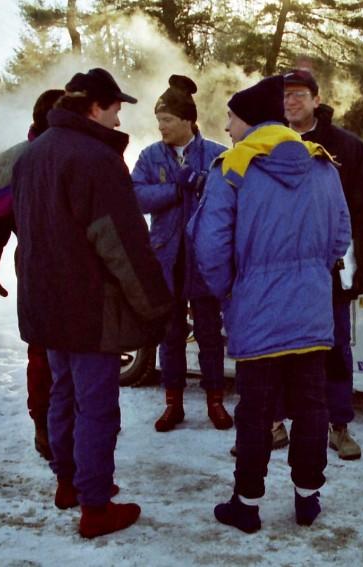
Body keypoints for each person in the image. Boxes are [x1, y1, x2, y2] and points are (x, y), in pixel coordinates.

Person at [11, 68, 173, 538]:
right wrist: (156, 306)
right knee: (97, 407)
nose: (120, 118)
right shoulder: (96, 159)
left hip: (44, 304)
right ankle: (96, 506)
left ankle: (68, 483)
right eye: (117, 107)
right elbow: (120, 243)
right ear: (95, 107)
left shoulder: (31, 155)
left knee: (63, 395)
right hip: (90, 309)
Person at [189, 75, 351, 533]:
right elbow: (340, 235)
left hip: (256, 310)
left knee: (256, 411)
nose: (225, 127)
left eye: (231, 118)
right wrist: (311, 274)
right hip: (312, 308)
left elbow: (210, 246)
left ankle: (247, 503)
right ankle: (307, 497)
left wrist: (231, 291)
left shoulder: (233, 167)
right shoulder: (321, 164)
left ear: (250, 120)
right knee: (312, 406)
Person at [281, 68, 363, 461]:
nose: (291, 102)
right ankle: (275, 421)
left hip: (331, 270)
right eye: (286, 96)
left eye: (298, 94)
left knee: (335, 348)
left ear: (315, 99)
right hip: (280, 271)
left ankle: (338, 425)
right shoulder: (268, 143)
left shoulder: (346, 147)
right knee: (280, 349)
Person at [132, 75, 232, 433]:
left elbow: (231, 202)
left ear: (187, 120)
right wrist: (176, 187)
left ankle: (215, 402)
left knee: (209, 334)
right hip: (166, 258)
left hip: (205, 259)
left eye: (167, 120)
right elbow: (136, 197)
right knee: (170, 334)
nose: (161, 127)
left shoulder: (218, 154)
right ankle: (172, 403)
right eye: (158, 120)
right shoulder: (150, 156)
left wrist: (205, 184)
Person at [0, 88, 64, 461]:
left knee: (63, 354)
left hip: (63, 270)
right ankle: (44, 425)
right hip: (41, 270)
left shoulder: (72, 152)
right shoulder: (16, 159)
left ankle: (62, 427)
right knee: (45, 352)